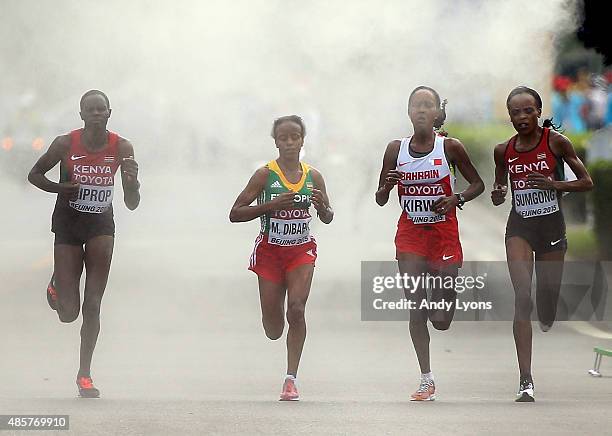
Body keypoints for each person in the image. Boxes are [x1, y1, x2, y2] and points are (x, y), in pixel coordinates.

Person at [28, 90, 140, 398]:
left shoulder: (122, 147)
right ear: (81, 115)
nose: (95, 114)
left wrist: (132, 182)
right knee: (68, 313)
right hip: (67, 223)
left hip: (101, 225)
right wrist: (60, 187)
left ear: (108, 113)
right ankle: (57, 284)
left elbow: (132, 203)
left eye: (100, 109)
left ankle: (84, 374)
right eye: (89, 110)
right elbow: (34, 174)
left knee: (92, 305)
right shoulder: (65, 143)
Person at [376, 86, 484, 401]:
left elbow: (476, 183)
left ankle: (446, 301)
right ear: (408, 112)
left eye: (428, 105)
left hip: (444, 234)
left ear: (437, 113)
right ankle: (426, 378)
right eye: (416, 105)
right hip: (410, 234)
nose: (422, 110)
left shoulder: (450, 147)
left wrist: (457, 198)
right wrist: (387, 185)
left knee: (441, 320)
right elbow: (381, 198)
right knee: (416, 306)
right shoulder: (395, 149)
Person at [491, 86, 593, 402]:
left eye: (527, 111)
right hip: (519, 227)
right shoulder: (503, 150)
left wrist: (554, 185)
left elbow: (587, 182)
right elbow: (499, 185)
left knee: (546, 308)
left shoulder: (556, 142)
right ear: (509, 116)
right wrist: (498, 193)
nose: (521, 117)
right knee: (523, 298)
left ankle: (546, 307)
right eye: (515, 113)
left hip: (551, 227)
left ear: (538, 111)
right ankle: (525, 379)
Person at [229, 115, 333, 401]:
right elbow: (235, 213)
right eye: (283, 138)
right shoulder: (264, 175)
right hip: (270, 253)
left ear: (302, 140)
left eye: (294, 137)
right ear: (275, 142)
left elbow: (327, 216)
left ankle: (291, 379)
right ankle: (275, 326)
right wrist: (272, 205)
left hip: (301, 251)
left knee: (297, 309)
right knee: (274, 328)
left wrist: (323, 206)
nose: (289, 143)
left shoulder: (314, 176)